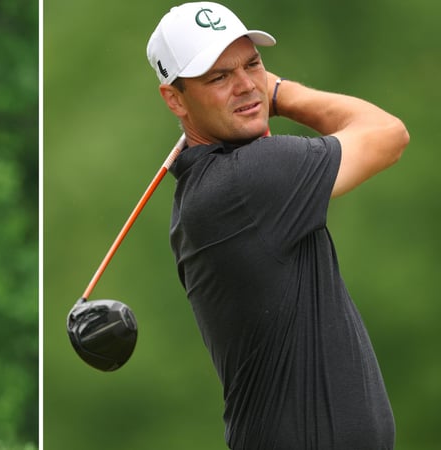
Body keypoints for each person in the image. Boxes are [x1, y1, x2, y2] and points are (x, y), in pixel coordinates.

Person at [146, 3, 409, 449]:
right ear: (175, 99)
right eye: (219, 77)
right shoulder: (249, 179)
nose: (247, 86)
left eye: (253, 65)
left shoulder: (213, 184)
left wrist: (245, 93)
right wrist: (279, 91)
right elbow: (387, 133)